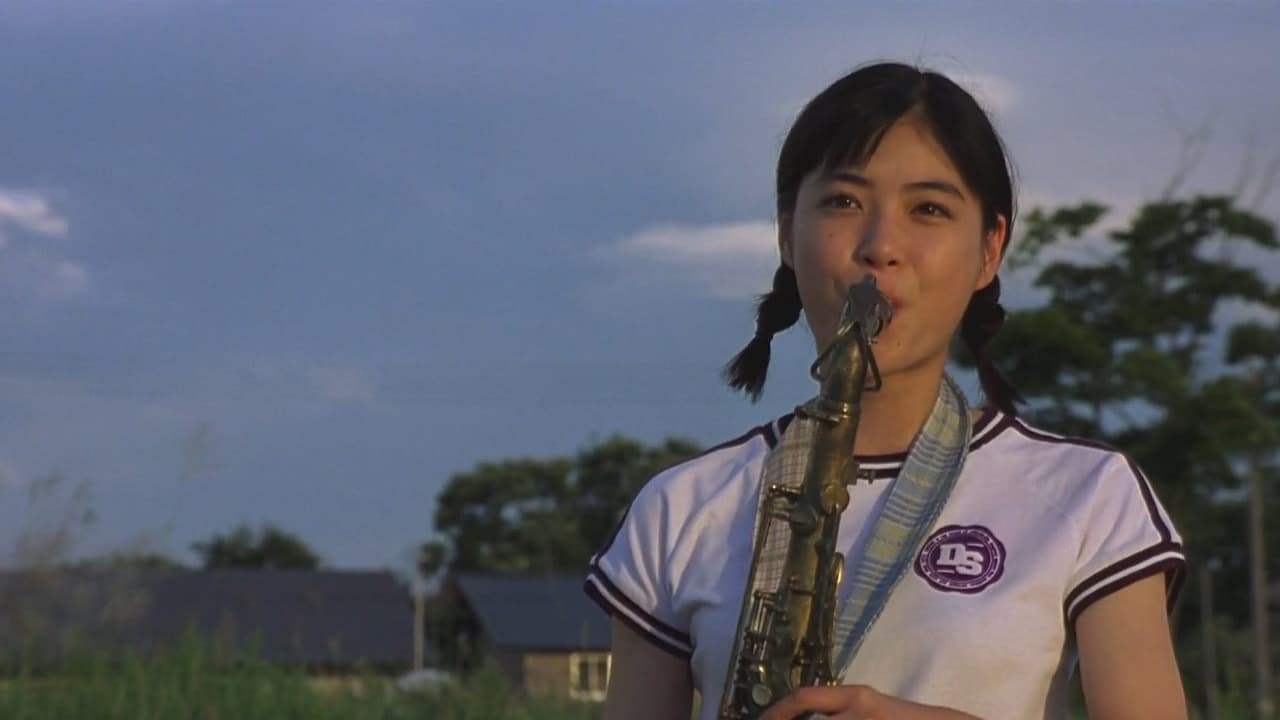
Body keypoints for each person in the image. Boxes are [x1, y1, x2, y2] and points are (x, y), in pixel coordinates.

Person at [583, 61, 1188, 720]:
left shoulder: (1088, 495)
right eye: (843, 202)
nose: (882, 246)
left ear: (990, 250)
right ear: (786, 234)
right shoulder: (679, 509)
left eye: (928, 209)